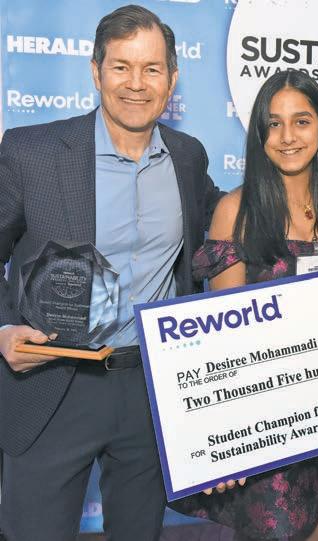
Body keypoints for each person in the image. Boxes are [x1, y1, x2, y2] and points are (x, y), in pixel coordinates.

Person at [0, 5, 222, 540]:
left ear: (172, 78)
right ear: (96, 71)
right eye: (121, 66)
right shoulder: (31, 152)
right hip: (52, 383)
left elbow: (232, 228)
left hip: (150, 391)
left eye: (151, 68)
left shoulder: (189, 157)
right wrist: (3, 329)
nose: (136, 84)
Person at [169, 69, 318, 541]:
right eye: (274, 124)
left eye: (301, 121)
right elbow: (223, 340)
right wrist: (225, 434)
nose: (288, 136)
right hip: (267, 414)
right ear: (259, 135)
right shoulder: (237, 211)